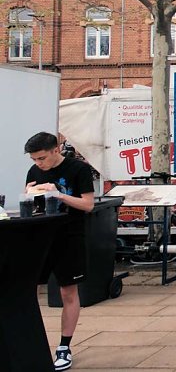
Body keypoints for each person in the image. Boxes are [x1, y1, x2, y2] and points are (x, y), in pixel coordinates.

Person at [24, 132, 95, 371]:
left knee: (68, 292)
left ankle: (64, 346)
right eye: (34, 159)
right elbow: (31, 204)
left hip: (69, 236)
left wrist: (58, 195)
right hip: (40, 237)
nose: (38, 164)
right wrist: (29, 195)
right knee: (28, 289)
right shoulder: (34, 172)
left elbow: (88, 204)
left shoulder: (78, 169)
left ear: (56, 150)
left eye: (42, 158)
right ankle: (30, 341)